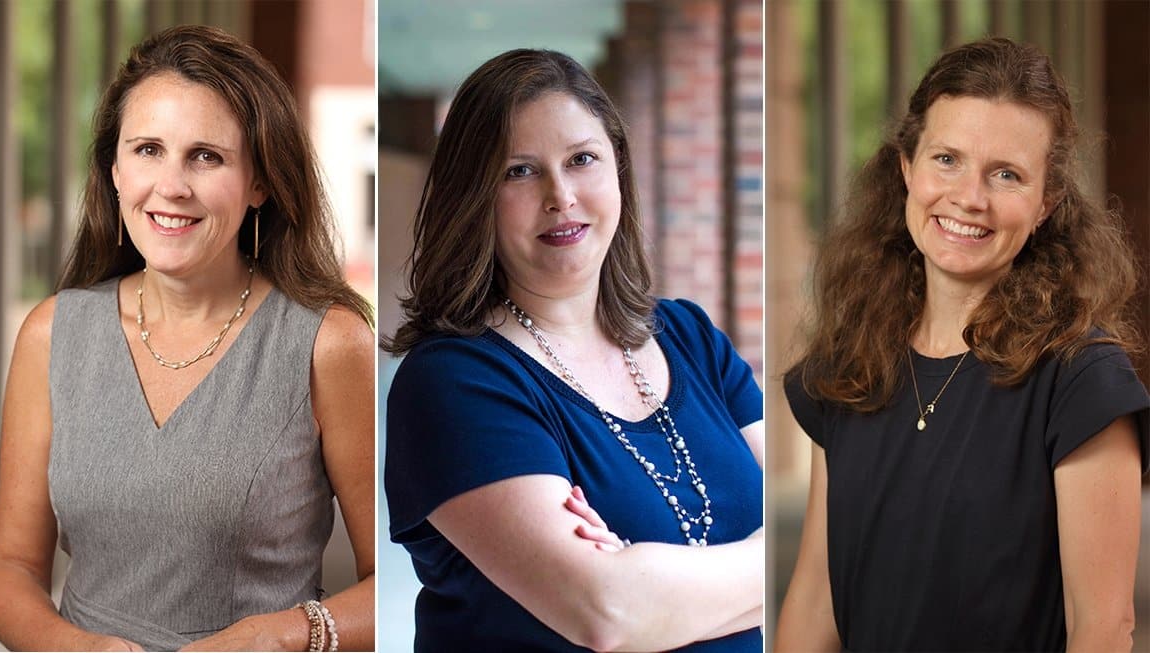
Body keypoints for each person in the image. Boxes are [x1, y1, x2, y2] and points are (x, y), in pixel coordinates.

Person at [0, 25, 375, 651]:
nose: (171, 186)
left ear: (260, 183)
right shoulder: (52, 333)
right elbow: (9, 571)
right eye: (147, 150)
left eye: (207, 156)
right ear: (114, 169)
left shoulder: (329, 344)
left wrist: (277, 636)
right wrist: (80, 648)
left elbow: (396, 581)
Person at [382, 49, 763, 652]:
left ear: (618, 169)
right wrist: (765, 561)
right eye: (519, 171)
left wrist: (643, 574)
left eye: (581, 159)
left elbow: (832, 538)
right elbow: (607, 612)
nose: (560, 195)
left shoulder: (690, 336)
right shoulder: (454, 382)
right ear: (474, 197)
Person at [777, 37, 1149, 653]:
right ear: (907, 169)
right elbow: (817, 601)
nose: (970, 197)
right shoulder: (853, 361)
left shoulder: (1084, 380)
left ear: (1045, 205)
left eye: (1006, 174)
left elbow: (1104, 629)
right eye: (946, 159)